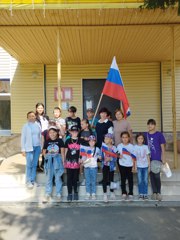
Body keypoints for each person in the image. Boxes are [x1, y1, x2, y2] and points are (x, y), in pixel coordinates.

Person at [145, 119, 166, 201]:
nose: (150, 126)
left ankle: (159, 192)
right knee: (151, 176)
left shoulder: (159, 134)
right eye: (149, 124)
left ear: (155, 125)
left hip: (157, 158)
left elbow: (162, 148)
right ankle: (154, 192)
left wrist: (163, 157)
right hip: (148, 158)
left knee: (157, 176)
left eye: (152, 124)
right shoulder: (145, 135)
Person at [43, 126, 65, 202]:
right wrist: (47, 154)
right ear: (48, 133)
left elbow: (62, 153)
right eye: (50, 132)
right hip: (49, 161)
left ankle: (59, 194)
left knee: (58, 178)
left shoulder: (60, 141)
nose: (52, 134)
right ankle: (47, 193)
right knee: (49, 178)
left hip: (57, 161)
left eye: (54, 132)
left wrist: (63, 162)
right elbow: (44, 152)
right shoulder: (47, 141)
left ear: (56, 133)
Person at [21, 111, 42, 189]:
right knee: (29, 165)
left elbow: (40, 137)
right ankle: (28, 181)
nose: (32, 117)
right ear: (27, 118)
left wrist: (41, 147)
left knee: (34, 165)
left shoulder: (38, 125)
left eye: (33, 116)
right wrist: (23, 149)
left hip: (37, 147)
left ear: (35, 117)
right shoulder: (25, 126)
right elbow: (23, 138)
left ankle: (33, 180)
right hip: (29, 148)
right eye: (30, 116)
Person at [80, 135, 101, 200]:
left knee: (93, 180)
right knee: (88, 180)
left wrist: (100, 157)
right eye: (90, 141)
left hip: (94, 166)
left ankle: (93, 193)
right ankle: (88, 193)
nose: (92, 142)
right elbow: (83, 157)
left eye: (93, 141)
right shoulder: (86, 148)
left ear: (95, 142)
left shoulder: (97, 149)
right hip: (87, 166)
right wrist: (82, 161)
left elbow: (99, 155)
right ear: (88, 142)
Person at [117, 131, 136, 201]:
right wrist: (119, 156)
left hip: (130, 164)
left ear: (129, 138)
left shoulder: (131, 146)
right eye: (123, 137)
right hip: (122, 164)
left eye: (126, 137)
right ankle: (123, 192)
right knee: (123, 179)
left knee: (130, 179)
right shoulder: (119, 146)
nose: (124, 139)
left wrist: (134, 166)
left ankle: (131, 192)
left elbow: (134, 157)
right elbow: (117, 154)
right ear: (121, 138)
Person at [64, 125, 81, 201]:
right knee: (69, 178)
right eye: (73, 131)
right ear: (70, 132)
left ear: (78, 132)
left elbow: (82, 151)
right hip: (69, 161)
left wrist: (81, 159)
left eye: (76, 131)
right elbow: (65, 151)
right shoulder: (68, 140)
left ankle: (76, 192)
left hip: (76, 162)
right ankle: (69, 193)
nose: (74, 133)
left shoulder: (80, 140)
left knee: (75, 178)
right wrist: (64, 160)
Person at [101, 133, 117, 202]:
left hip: (111, 166)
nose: (105, 140)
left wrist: (110, 159)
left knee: (111, 179)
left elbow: (116, 157)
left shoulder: (114, 148)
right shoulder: (102, 147)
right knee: (104, 179)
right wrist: (101, 157)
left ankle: (112, 191)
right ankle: (105, 194)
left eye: (107, 139)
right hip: (104, 165)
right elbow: (100, 156)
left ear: (111, 140)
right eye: (104, 139)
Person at [134, 133, 150, 200]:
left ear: (143, 140)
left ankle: (145, 194)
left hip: (145, 166)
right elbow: (134, 158)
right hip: (139, 166)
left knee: (145, 180)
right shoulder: (135, 147)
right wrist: (135, 166)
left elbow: (148, 156)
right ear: (137, 139)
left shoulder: (146, 147)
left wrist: (149, 166)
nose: (140, 140)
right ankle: (141, 194)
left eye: (142, 138)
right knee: (140, 180)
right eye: (139, 138)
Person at [35, 102, 49, 171]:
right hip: (37, 136)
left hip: (45, 135)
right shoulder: (34, 117)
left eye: (41, 108)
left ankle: (43, 164)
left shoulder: (46, 117)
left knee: (44, 149)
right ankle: (37, 165)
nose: (40, 109)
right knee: (37, 150)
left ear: (43, 108)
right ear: (36, 109)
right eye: (38, 108)